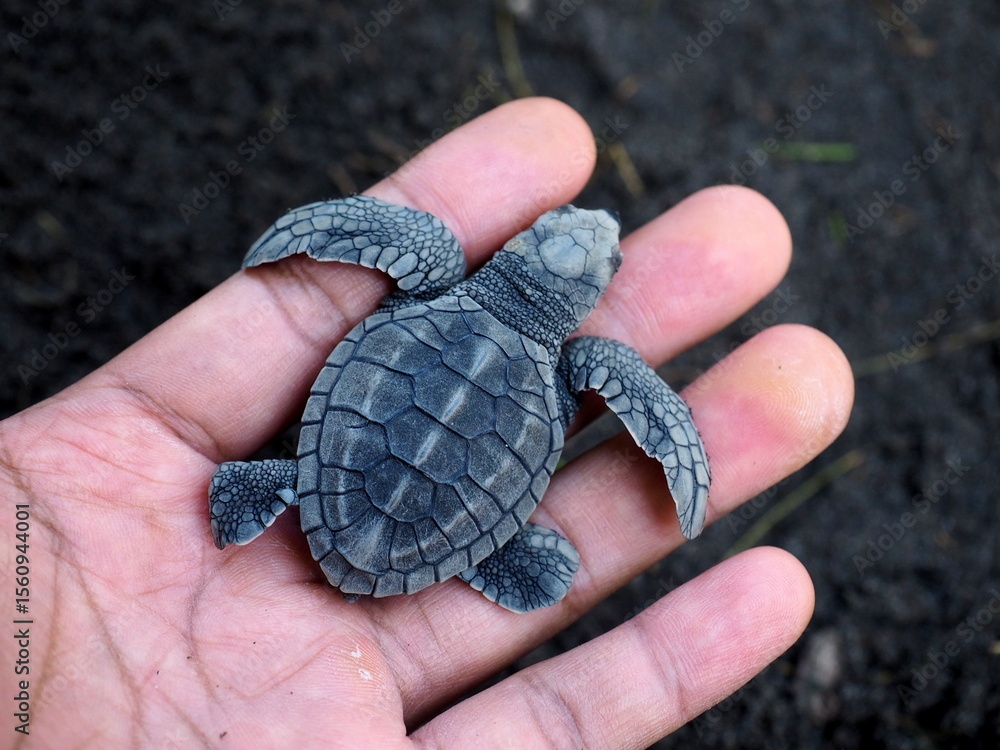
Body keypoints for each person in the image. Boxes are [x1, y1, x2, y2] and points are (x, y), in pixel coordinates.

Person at [0, 98, 853, 748]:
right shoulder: (585, 366)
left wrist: (310, 232)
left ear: (520, 249)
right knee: (551, 554)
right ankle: (486, 552)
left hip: (329, 477)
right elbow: (648, 407)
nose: (591, 233)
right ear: (583, 295)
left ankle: (292, 490)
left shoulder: (438, 273)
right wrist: (680, 464)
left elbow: (356, 232)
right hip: (448, 531)